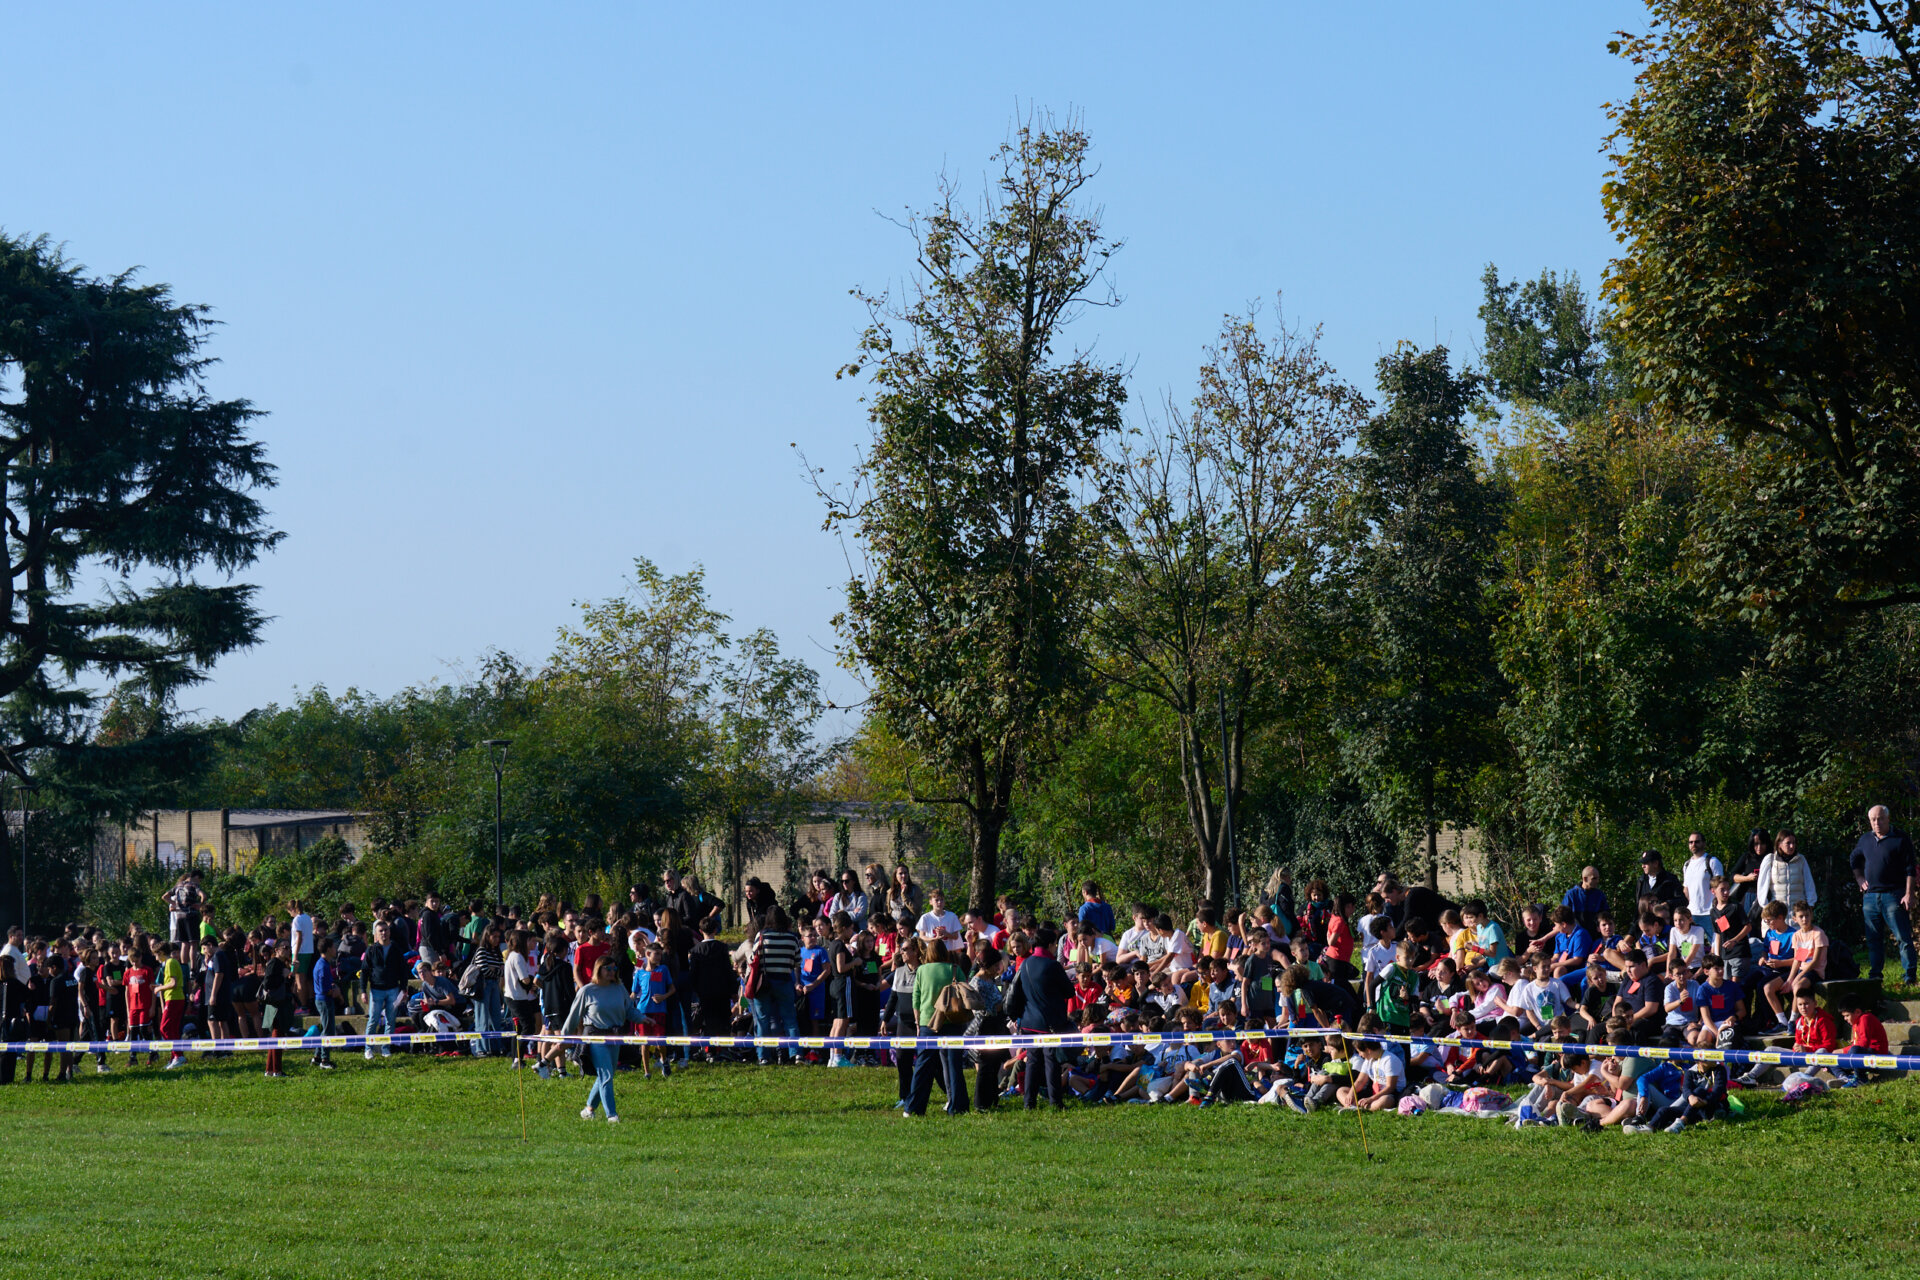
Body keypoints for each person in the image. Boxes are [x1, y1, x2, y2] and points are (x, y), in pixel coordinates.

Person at [1850, 804, 1917, 984]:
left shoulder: (1900, 838)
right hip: (1870, 897)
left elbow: (1911, 869)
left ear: (1888, 819)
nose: (1877, 823)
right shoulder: (1865, 840)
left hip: (1894, 895)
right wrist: (1859, 878)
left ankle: (1909, 976)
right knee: (1873, 939)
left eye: (1880, 819)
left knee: (1902, 937)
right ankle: (1875, 976)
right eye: (1873, 820)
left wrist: (1909, 893)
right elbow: (1854, 859)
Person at [562, 955, 631, 1124]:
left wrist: (643, 1018)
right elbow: (573, 1016)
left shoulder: (619, 989)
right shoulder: (587, 990)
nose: (612, 972)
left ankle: (588, 1109)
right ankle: (611, 1115)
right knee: (606, 1074)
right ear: (598, 969)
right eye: (608, 968)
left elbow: (629, 1010)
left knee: (606, 1075)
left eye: (614, 968)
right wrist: (563, 1037)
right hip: (594, 1036)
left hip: (614, 1037)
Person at [1011, 928, 1074, 1110]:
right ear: (1050, 944)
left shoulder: (1026, 964)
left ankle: (1029, 1102)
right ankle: (1056, 1102)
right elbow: (1069, 991)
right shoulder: (1052, 965)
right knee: (1051, 1062)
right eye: (1055, 944)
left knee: (1032, 1062)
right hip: (1049, 1023)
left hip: (1029, 1021)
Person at [906, 938, 966, 1116]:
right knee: (955, 1066)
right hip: (952, 1020)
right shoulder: (955, 969)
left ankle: (915, 1107)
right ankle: (958, 1106)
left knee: (923, 1066)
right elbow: (965, 992)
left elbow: (915, 999)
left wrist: (917, 1023)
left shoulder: (922, 970)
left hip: (927, 1021)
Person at [748, 908, 801, 1065]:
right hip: (784, 981)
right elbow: (797, 962)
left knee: (763, 1020)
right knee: (790, 1019)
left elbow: (752, 959)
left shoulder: (762, 936)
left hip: (764, 983)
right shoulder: (792, 938)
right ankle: (796, 1054)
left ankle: (763, 1056)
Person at [363, 920, 407, 1059]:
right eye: (380, 931)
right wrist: (363, 990)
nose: (384, 933)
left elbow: (403, 970)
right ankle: (368, 1048)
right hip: (376, 990)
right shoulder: (371, 950)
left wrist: (404, 989)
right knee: (373, 1020)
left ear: (389, 931)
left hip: (393, 989)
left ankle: (386, 1048)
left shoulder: (396, 949)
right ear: (376, 934)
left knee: (391, 1020)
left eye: (386, 930)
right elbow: (364, 971)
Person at [1758, 831, 1818, 918]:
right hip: (1776, 913)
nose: (1792, 846)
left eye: (1793, 843)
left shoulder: (1801, 860)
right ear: (1779, 844)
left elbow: (1809, 884)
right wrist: (1766, 907)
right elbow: (1762, 886)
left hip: (1797, 913)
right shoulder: (1770, 860)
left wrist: (1810, 905)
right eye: (1788, 843)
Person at [504, 929, 540, 1069]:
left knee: (517, 1028)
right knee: (528, 1026)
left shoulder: (512, 955)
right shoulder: (518, 956)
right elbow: (524, 979)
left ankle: (516, 1058)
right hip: (517, 997)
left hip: (513, 996)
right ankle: (518, 1057)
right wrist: (534, 982)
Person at [309, 936, 338, 1070]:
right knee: (328, 1031)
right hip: (324, 1001)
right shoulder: (322, 966)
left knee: (326, 1028)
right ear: (327, 949)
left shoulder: (324, 963)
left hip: (324, 1000)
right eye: (333, 947)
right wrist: (333, 991)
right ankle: (325, 1060)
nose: (335, 949)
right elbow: (322, 988)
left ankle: (317, 1057)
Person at [1680, 832, 1724, 918]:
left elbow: (1721, 887)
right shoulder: (1686, 865)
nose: (1693, 844)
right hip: (1692, 914)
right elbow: (1686, 889)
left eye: (1697, 842)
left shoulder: (1712, 862)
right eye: (1691, 842)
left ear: (1704, 843)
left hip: (1710, 912)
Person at [1561, 866, 1609, 936]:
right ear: (1585, 879)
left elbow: (1606, 918)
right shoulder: (1571, 895)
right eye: (1594, 878)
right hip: (1576, 937)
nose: (1597, 881)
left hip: (1595, 938)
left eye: (1598, 878)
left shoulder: (1600, 895)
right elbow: (1562, 918)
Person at [288, 899, 316, 1011]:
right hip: (309, 950)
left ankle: (303, 1006)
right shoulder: (308, 917)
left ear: (293, 909)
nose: (290, 914)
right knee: (304, 979)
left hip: (300, 952)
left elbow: (299, 937)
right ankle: (306, 1003)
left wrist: (295, 956)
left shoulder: (296, 920)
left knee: (300, 980)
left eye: (289, 912)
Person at [914, 889, 962, 955]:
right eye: (936, 900)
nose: (939, 902)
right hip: (932, 952)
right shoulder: (925, 917)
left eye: (942, 900)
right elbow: (922, 936)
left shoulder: (952, 916)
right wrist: (934, 939)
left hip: (948, 952)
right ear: (931, 902)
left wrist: (946, 934)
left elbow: (956, 936)